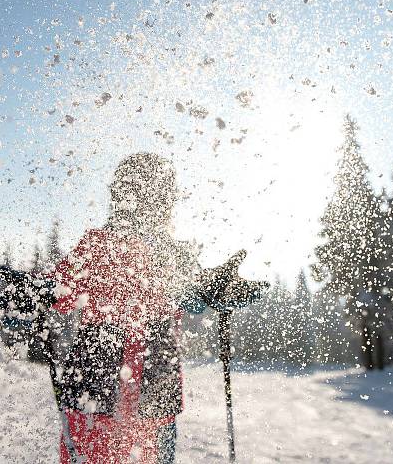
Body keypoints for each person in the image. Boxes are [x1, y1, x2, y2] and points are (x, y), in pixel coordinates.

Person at [48, 152, 267, 464]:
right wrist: (34, 291)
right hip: (95, 395)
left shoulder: (173, 253)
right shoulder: (98, 244)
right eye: (130, 191)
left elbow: (193, 293)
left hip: (152, 399)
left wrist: (219, 290)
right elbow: (59, 288)